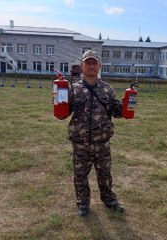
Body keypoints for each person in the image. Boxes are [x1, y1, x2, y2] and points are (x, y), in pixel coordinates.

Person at [68, 50, 124, 217]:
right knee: (80, 176)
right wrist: (58, 103)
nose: (91, 66)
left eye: (94, 63)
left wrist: (128, 104)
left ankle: (109, 200)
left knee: (105, 175)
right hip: (81, 143)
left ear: (99, 66)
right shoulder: (73, 89)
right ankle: (83, 203)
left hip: (102, 143)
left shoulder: (107, 89)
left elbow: (117, 112)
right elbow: (62, 113)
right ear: (82, 66)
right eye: (88, 63)